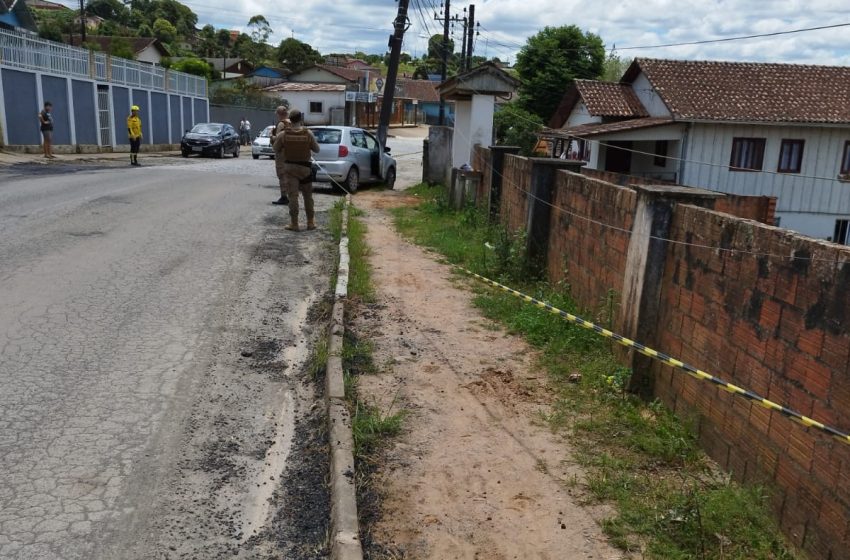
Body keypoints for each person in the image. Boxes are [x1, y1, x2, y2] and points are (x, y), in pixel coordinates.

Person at [273, 109, 319, 232]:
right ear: (301, 119)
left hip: (290, 169)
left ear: (290, 120)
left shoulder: (284, 134)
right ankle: (310, 222)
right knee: (308, 196)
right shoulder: (308, 133)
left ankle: (294, 223)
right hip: (305, 169)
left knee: (293, 196)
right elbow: (317, 149)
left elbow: (276, 149)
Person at [271, 106, 291, 206]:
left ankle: (284, 196)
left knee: (282, 174)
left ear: (279, 114)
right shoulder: (292, 123)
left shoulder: (281, 124)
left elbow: (278, 139)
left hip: (282, 153)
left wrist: (272, 136)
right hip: (291, 153)